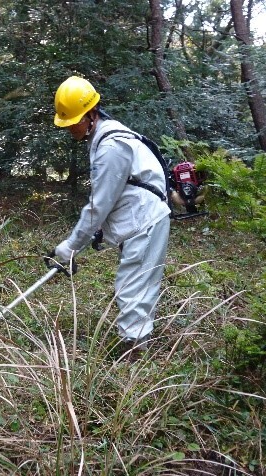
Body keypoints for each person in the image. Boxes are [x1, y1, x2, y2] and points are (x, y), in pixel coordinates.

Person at [51, 76, 171, 361]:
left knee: (133, 287)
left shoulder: (111, 147)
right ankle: (135, 347)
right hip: (139, 218)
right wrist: (97, 233)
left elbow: (99, 205)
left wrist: (71, 246)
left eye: (74, 121)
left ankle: (135, 357)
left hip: (145, 220)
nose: (70, 128)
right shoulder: (104, 138)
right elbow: (117, 195)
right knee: (134, 284)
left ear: (92, 114)